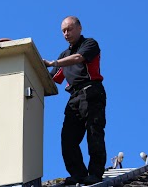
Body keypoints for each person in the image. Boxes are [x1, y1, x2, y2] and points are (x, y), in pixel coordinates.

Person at [43, 16, 107, 185]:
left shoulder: (90, 44)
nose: (66, 33)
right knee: (68, 139)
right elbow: (50, 80)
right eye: (63, 31)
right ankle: (78, 174)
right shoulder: (64, 55)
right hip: (74, 98)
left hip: (91, 92)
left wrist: (53, 62)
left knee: (94, 134)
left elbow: (79, 58)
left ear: (80, 28)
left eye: (69, 29)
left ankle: (95, 174)